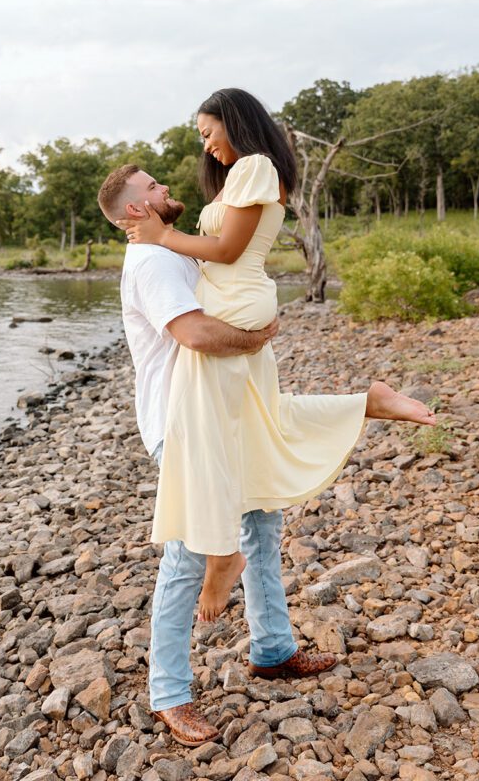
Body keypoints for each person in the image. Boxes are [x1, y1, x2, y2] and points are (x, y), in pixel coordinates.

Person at [116, 88, 436, 626]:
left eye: (207, 132)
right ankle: (366, 403)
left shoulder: (256, 166)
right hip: (238, 305)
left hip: (237, 304)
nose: (206, 146)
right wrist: (165, 239)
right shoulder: (245, 175)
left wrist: (165, 234)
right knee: (267, 421)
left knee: (212, 438)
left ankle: (221, 558)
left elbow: (227, 251)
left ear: (234, 123)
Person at [98, 164, 339, 747]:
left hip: (222, 413)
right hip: (181, 424)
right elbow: (198, 334)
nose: (164, 189)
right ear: (135, 209)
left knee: (261, 521)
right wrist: (258, 337)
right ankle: (169, 694)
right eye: (153, 188)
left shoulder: (171, 249)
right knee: (188, 550)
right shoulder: (152, 261)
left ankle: (273, 650)